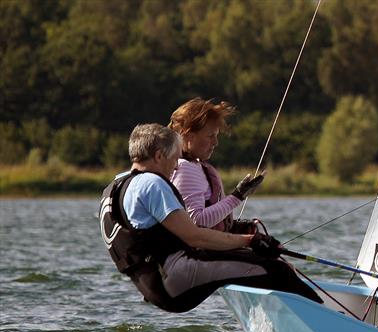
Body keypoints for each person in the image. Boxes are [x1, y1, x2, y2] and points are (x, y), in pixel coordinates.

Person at [99, 123, 322, 312]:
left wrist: (239, 234)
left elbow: (157, 234)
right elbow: (194, 237)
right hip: (175, 278)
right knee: (277, 270)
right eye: (174, 159)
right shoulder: (151, 183)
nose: (176, 166)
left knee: (256, 264)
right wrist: (251, 241)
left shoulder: (115, 186)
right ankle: (330, 325)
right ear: (158, 156)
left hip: (154, 285)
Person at [168, 97, 261, 233]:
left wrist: (234, 228)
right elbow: (196, 222)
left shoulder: (193, 165)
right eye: (210, 136)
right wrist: (237, 196)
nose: (215, 142)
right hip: (197, 252)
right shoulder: (185, 168)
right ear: (188, 135)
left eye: (216, 136)